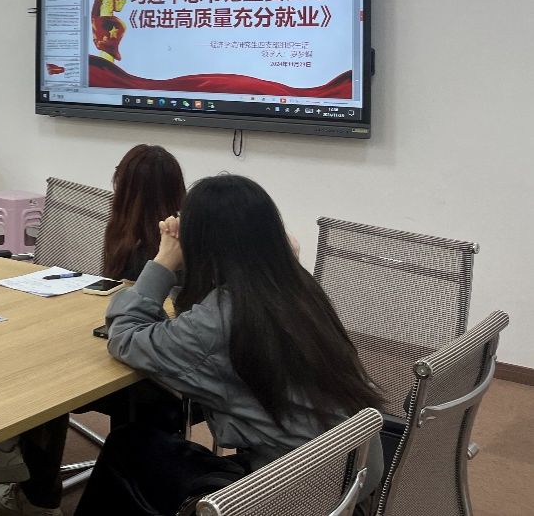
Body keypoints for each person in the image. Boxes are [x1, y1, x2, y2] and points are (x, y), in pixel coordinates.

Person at [72, 174, 383, 516]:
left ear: (202, 244)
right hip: (349, 478)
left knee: (128, 445)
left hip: (289, 493)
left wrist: (164, 261)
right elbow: (197, 319)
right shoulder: (297, 287)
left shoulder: (220, 319)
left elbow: (126, 336)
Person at [0, 145, 186, 516]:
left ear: (125, 189)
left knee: (47, 375)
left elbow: (132, 323)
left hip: (148, 379)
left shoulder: (149, 250)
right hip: (170, 373)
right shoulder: (183, 236)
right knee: (52, 360)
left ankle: (36, 499)